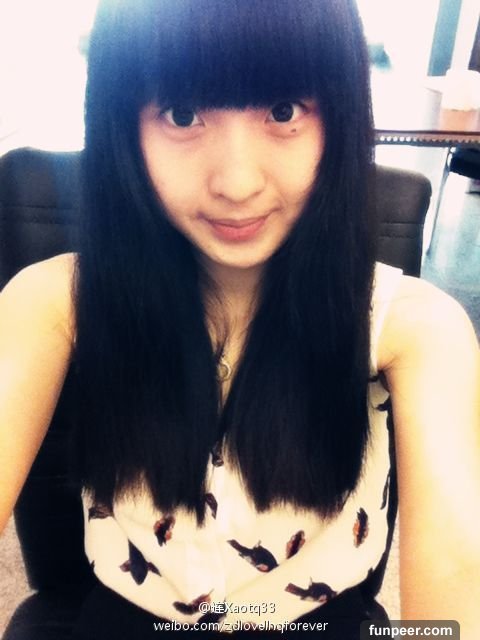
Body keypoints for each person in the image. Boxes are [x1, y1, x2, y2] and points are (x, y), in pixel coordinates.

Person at [1, 0, 479, 638]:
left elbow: (456, 572)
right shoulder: (55, 300)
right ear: (123, 124)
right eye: (182, 114)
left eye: (283, 111)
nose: (236, 182)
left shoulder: (417, 325)